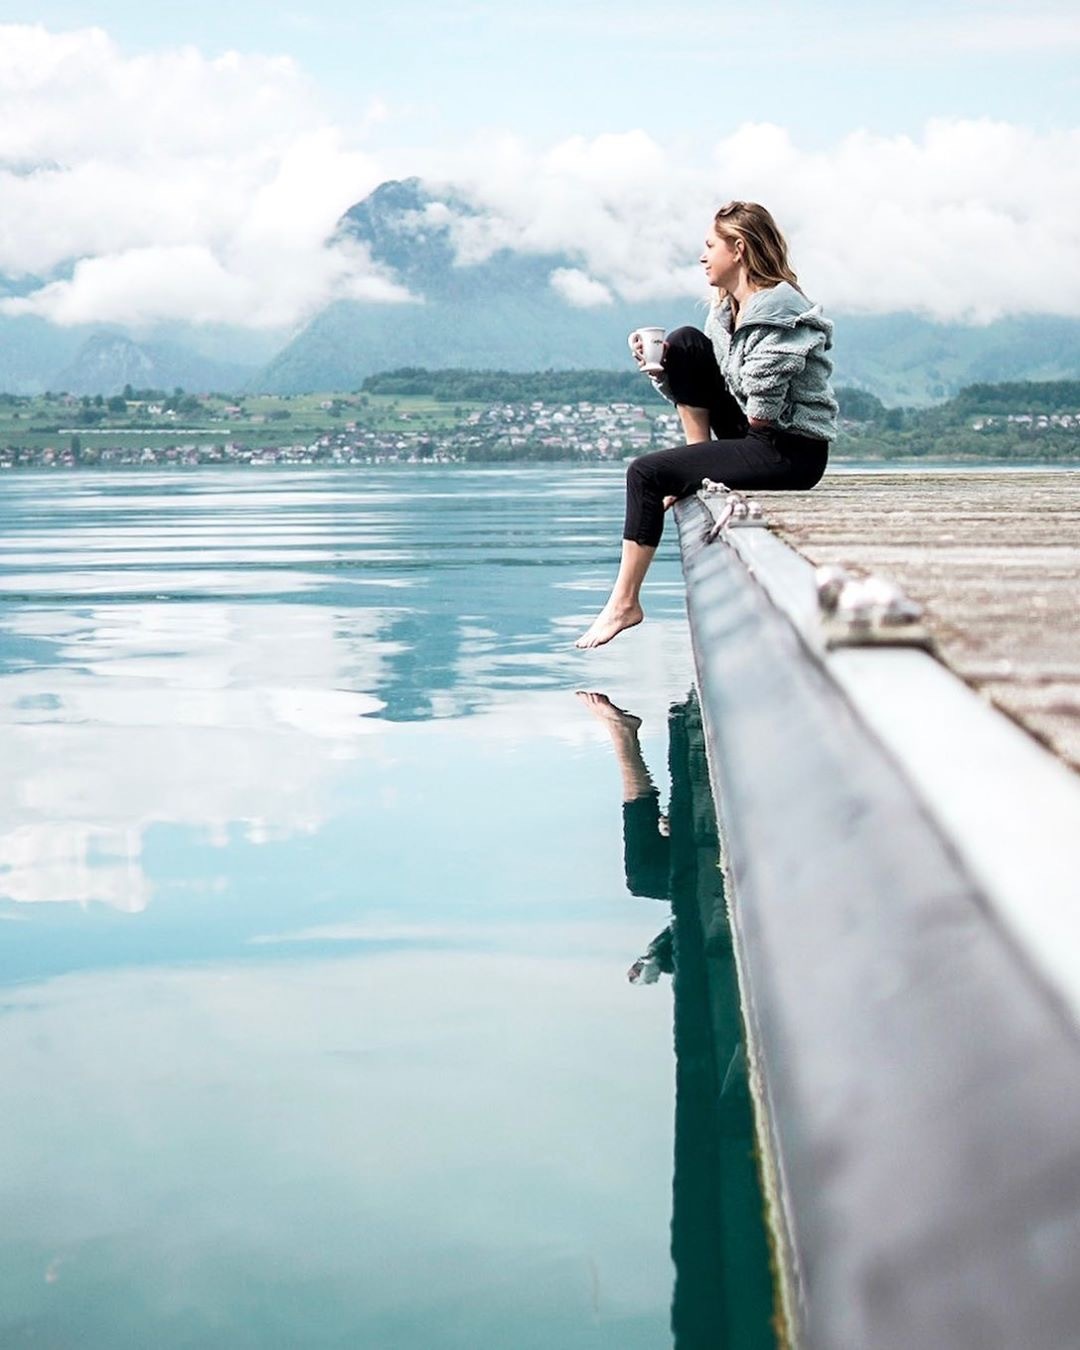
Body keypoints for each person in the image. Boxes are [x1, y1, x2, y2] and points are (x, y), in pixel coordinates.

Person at [575, 200, 838, 649]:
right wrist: (664, 367)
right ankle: (693, 460)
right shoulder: (725, 313)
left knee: (645, 474)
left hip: (791, 450)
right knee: (683, 342)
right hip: (757, 432)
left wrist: (692, 463)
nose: (702, 257)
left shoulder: (780, 311)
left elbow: (763, 410)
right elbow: (714, 383)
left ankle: (624, 604)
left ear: (738, 249)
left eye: (710, 246)